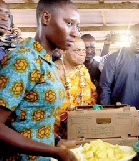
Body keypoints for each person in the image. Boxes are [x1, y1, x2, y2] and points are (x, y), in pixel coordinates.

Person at [0, 0, 80, 160]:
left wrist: (58, 141)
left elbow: (32, 118)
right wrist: (56, 152)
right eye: (69, 23)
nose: (75, 33)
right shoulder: (23, 59)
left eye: (76, 26)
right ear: (45, 18)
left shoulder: (45, 61)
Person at [100, 23, 139, 118]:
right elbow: (105, 86)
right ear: (128, 38)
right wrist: (106, 112)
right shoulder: (115, 58)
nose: (138, 42)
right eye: (134, 38)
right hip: (120, 114)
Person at [54, 36, 98, 139]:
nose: (83, 53)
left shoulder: (83, 70)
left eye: (83, 50)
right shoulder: (53, 71)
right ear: (64, 52)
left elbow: (92, 95)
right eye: (77, 50)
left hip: (83, 125)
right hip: (57, 130)